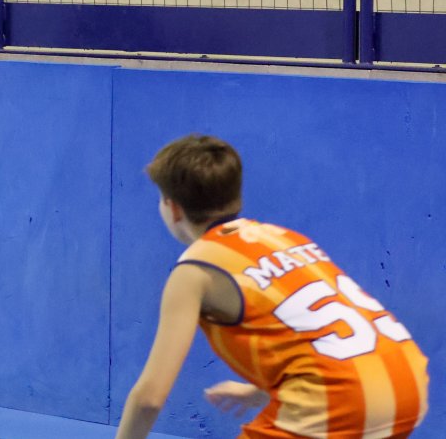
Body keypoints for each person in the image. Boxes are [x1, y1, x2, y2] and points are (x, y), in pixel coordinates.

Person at [116, 134, 429, 439]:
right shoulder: (284, 238)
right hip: (407, 384)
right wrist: (259, 390)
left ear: (173, 208)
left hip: (337, 401)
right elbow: (317, 330)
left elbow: (150, 398)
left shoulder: (194, 271)